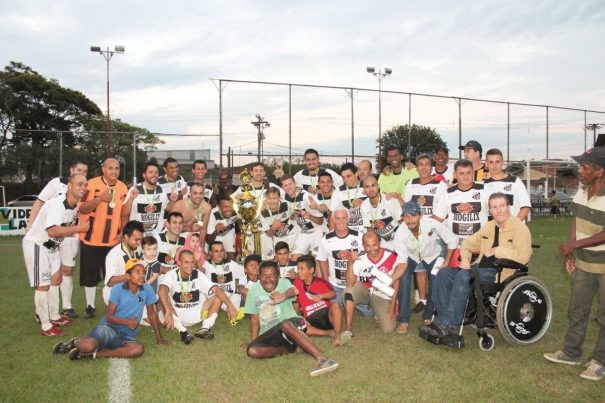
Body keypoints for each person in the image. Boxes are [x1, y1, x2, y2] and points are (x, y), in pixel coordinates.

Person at [421, 192, 532, 347]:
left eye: (502, 206)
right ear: (490, 211)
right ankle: (448, 319)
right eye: (495, 207)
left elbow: (524, 256)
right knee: (444, 273)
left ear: (508, 207)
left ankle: (445, 324)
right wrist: (465, 259)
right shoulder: (489, 226)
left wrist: (497, 251)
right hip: (478, 268)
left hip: (498, 274)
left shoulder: (520, 229)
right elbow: (467, 243)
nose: (499, 210)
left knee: (463, 277)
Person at [544, 146, 605, 381]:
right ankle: (571, 352)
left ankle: (599, 361)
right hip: (584, 262)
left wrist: (576, 246)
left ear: (599, 171)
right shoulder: (583, 188)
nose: (580, 170)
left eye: (585, 167)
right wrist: (571, 250)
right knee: (577, 310)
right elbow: (577, 221)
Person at [53, 260, 169, 359]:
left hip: (126, 334)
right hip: (108, 328)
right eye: (137, 272)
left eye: (143, 272)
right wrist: (126, 322)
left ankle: (93, 355)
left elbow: (152, 314)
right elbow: (109, 317)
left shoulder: (147, 289)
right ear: (128, 276)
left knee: (137, 349)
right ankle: (74, 342)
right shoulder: (118, 289)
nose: (141, 276)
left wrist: (159, 339)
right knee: (88, 346)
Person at [244, 261, 339, 377]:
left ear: (278, 275)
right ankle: (292, 348)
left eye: (271, 275)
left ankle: (323, 360)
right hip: (272, 332)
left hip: (292, 324)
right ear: (259, 276)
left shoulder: (284, 283)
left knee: (285, 324)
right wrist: (253, 340)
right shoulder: (253, 291)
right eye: (263, 275)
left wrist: (282, 296)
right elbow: (254, 318)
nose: (267, 279)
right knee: (252, 350)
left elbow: (294, 291)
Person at [23, 174, 90, 336]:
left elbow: (60, 230)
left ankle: (54, 316)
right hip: (37, 245)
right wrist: (78, 228)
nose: (83, 187)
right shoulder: (57, 204)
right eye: (79, 184)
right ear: (69, 185)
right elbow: (52, 230)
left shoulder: (74, 206)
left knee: (57, 279)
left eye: (85, 185)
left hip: (52, 247)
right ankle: (46, 326)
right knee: (43, 285)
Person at [393, 201, 457, 334]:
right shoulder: (400, 232)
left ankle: (428, 316)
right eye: (406, 216)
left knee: (436, 279)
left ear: (420, 215)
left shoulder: (432, 224)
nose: (410, 220)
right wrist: (391, 278)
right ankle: (404, 319)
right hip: (411, 257)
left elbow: (452, 240)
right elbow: (402, 262)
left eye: (413, 215)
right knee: (403, 278)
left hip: (432, 254)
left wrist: (446, 261)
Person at [79, 158, 129, 319]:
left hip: (113, 241)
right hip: (91, 239)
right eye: (110, 168)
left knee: (113, 274)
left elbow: (124, 214)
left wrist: (122, 233)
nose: (114, 171)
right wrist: (99, 199)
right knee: (90, 275)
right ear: (103, 169)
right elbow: (83, 209)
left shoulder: (122, 187)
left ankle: (114, 304)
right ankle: (90, 306)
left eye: (117, 168)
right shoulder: (91, 184)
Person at [159, 249, 237, 344]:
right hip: (176, 313)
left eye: (192, 262)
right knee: (163, 295)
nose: (190, 266)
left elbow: (216, 289)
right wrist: (167, 310)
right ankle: (183, 331)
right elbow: (162, 289)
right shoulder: (171, 274)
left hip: (197, 313)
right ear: (179, 262)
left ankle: (204, 328)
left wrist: (230, 306)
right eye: (186, 262)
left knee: (218, 295)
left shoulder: (197, 273)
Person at [404, 154, 449, 311]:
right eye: (420, 164)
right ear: (417, 168)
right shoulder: (411, 184)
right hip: (417, 234)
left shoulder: (440, 185)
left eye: (427, 164)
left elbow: (444, 211)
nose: (423, 167)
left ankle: (435, 301)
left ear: (432, 167)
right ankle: (422, 300)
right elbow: (408, 209)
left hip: (436, 235)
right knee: (420, 267)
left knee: (435, 269)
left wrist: (430, 227)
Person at [344, 231, 399, 334]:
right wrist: (350, 263)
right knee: (349, 291)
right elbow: (350, 283)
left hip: (381, 294)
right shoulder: (359, 257)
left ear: (379, 243)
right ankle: (348, 328)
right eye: (368, 246)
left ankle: (375, 311)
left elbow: (396, 282)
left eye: (375, 245)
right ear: (363, 246)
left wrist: (393, 305)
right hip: (364, 290)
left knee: (388, 329)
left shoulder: (391, 256)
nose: (372, 249)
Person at [433, 159, 489, 248]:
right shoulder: (448, 193)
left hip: (480, 247)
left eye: (468, 173)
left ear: (473, 173)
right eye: (461, 173)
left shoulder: (485, 190)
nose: (465, 176)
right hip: (456, 248)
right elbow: (437, 218)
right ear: (455, 175)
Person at [292, 255, 346, 346]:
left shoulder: (320, 281)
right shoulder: (296, 283)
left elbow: (333, 294)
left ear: (311, 270)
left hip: (326, 315)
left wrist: (321, 296)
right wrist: (296, 317)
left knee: (336, 306)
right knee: (298, 326)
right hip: (310, 319)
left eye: (302, 269)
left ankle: (337, 335)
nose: (299, 272)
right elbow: (296, 303)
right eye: (298, 269)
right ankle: (330, 333)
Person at [316, 207, 364, 303]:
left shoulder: (359, 236)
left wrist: (352, 256)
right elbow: (322, 259)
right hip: (335, 285)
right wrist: (326, 281)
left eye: (343, 218)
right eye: (337, 218)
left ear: (348, 219)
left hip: (355, 283)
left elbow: (365, 258)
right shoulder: (326, 238)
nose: (340, 221)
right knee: (331, 307)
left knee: (368, 312)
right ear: (333, 220)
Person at [123, 161, 176, 236]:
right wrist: (131, 198)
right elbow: (125, 213)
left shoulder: (161, 190)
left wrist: (172, 201)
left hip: (156, 236)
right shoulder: (135, 190)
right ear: (144, 175)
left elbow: (167, 208)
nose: (154, 175)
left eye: (156, 172)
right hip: (137, 235)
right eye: (150, 172)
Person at [281, 174, 324, 259]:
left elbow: (321, 221)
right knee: (293, 258)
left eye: (290, 184)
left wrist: (310, 216)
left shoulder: (306, 196)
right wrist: (293, 215)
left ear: (295, 183)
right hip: (303, 233)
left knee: (316, 259)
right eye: (285, 185)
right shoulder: (284, 198)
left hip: (316, 232)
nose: (288, 187)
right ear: (282, 187)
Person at [103, 220, 144, 305]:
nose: (139, 243)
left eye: (140, 240)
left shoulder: (139, 250)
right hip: (117, 294)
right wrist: (130, 276)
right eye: (136, 240)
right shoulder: (114, 254)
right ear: (126, 237)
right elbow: (110, 282)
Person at [483, 148, 531, 221]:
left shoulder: (515, 181)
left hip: (513, 230)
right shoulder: (483, 185)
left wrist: (513, 226)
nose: (494, 165)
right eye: (491, 162)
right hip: (492, 231)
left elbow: (525, 207)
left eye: (497, 162)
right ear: (486, 164)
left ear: (503, 162)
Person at [360, 176, 401, 250]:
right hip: (381, 246)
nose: (371, 189)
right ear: (363, 190)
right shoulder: (364, 206)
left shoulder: (390, 201)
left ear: (378, 186)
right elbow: (370, 230)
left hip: (398, 242)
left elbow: (402, 223)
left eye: (373, 185)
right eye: (367, 187)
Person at [202, 241, 245, 309]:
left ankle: (232, 312)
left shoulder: (230, 263)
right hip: (214, 299)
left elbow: (244, 272)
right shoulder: (205, 265)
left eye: (221, 251)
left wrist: (247, 257)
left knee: (236, 296)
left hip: (229, 298)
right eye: (216, 251)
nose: (219, 254)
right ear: (210, 253)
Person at [259, 187, 297, 260]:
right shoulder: (263, 213)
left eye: (274, 198)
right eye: (269, 198)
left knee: (293, 259)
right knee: (278, 259)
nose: (272, 201)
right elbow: (269, 234)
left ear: (279, 198)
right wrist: (274, 227)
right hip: (277, 238)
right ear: (266, 198)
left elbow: (294, 216)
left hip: (292, 235)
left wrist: (293, 216)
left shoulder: (287, 204)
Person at [331, 162, 367, 232]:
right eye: (343, 177)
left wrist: (364, 204)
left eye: (348, 176)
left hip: (366, 230)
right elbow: (333, 215)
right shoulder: (338, 192)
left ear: (356, 174)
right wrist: (331, 234)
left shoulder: (367, 186)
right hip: (348, 232)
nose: (346, 180)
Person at [206, 195, 238, 260]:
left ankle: (232, 269)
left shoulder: (237, 211)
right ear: (219, 207)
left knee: (231, 256)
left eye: (231, 206)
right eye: (225, 207)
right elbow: (209, 240)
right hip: (215, 236)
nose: (229, 209)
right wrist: (216, 231)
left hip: (229, 233)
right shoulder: (212, 215)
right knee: (215, 256)